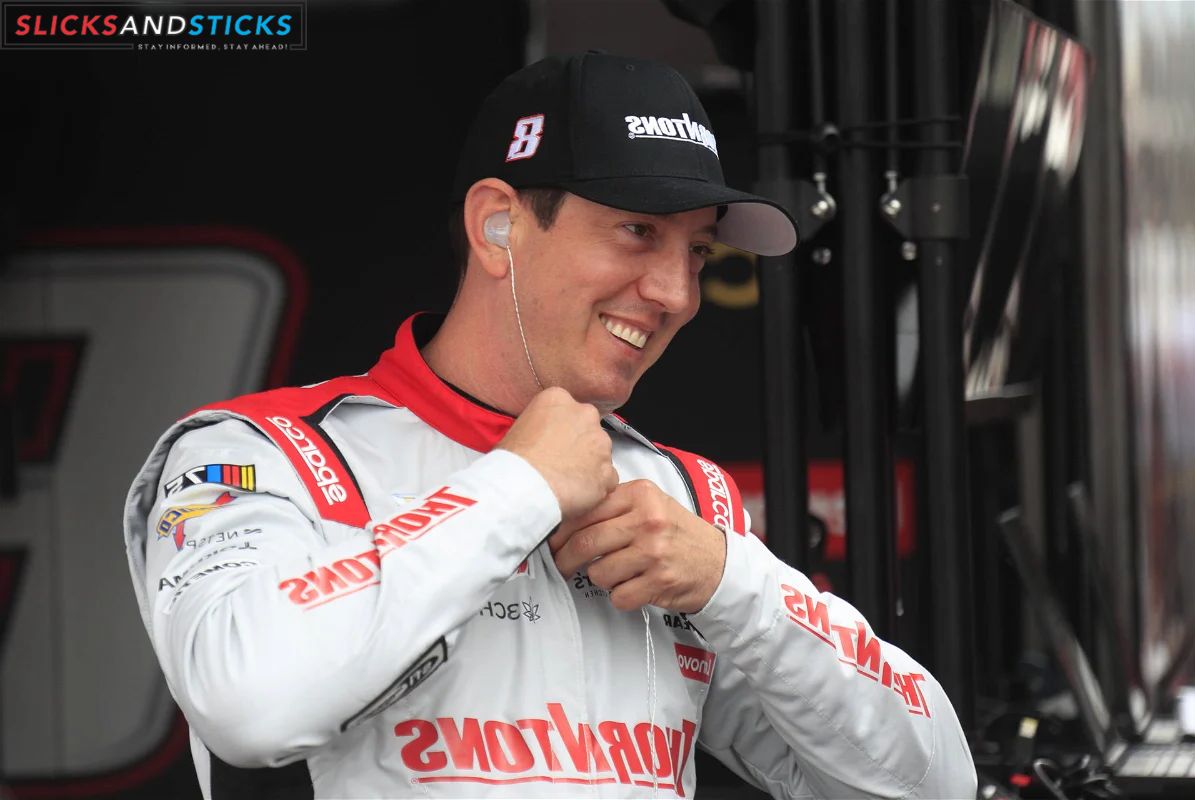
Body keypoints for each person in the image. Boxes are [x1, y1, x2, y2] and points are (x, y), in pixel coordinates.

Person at [123, 51, 976, 799]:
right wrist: (517, 488)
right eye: (637, 231)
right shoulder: (256, 454)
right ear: (498, 226)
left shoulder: (682, 499)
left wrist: (735, 585)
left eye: (698, 251)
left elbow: (930, 784)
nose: (678, 295)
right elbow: (250, 703)